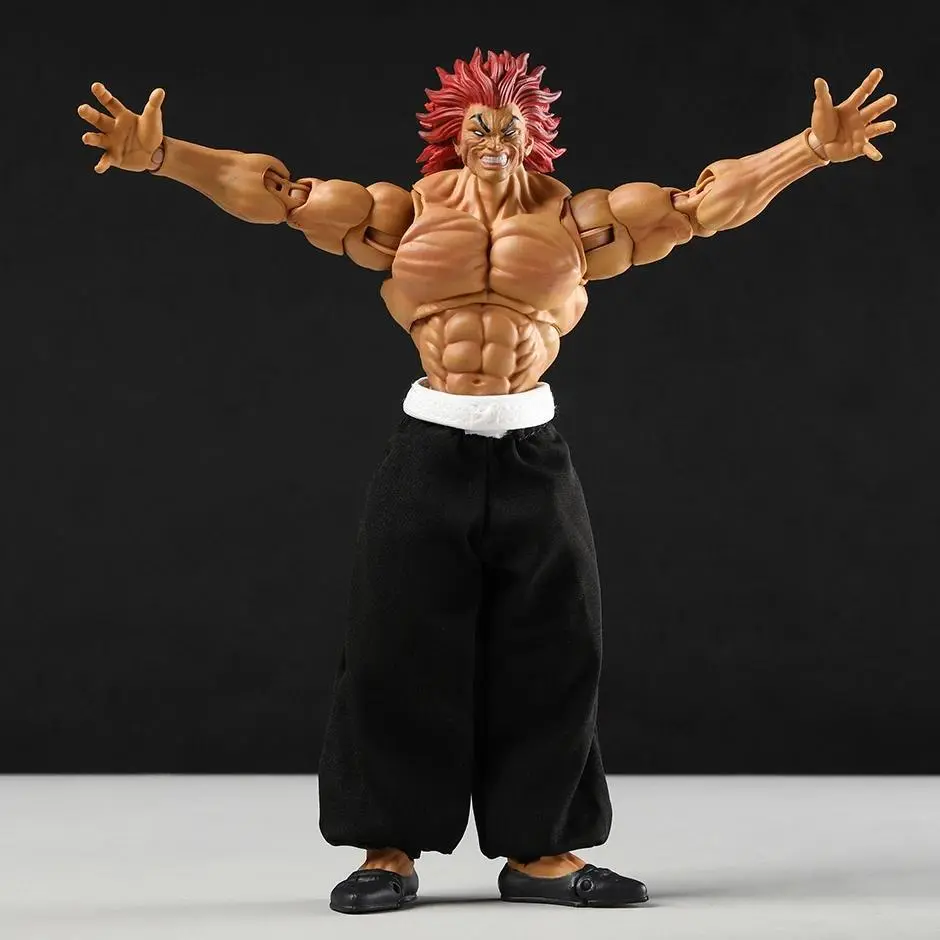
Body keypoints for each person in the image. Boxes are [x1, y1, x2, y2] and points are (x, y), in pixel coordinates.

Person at [77, 48, 897, 914]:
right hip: (430, 446)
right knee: (395, 647)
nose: (494, 137)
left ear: (532, 135)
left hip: (529, 449)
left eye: (510, 124)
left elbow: (699, 207)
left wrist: (808, 150)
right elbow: (279, 195)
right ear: (453, 135)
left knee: (555, 646)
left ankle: (541, 852)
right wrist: (164, 156)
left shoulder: (579, 222)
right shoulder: (402, 215)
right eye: (479, 124)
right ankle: (386, 850)